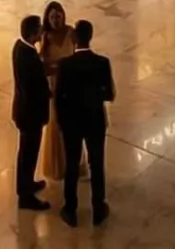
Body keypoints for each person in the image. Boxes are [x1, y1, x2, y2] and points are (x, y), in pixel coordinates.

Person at [54, 19, 116, 226]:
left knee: (72, 164)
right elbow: (108, 94)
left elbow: (59, 96)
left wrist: (62, 122)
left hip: (72, 122)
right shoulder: (102, 62)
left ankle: (70, 209)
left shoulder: (65, 65)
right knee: (97, 164)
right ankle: (98, 208)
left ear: (74, 38)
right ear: (91, 36)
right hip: (95, 121)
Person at [10, 15, 51, 210]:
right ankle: (25, 195)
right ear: (34, 32)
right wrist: (49, 94)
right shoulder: (28, 57)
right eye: (40, 29)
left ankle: (26, 184)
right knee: (28, 153)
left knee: (27, 153)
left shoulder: (21, 48)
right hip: (30, 114)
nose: (42, 32)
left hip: (24, 111)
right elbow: (33, 87)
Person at [38, 0, 75, 181]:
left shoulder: (71, 33)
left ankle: (73, 162)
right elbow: (43, 67)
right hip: (55, 85)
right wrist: (59, 67)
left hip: (71, 85)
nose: (56, 20)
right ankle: (58, 164)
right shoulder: (45, 37)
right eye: (52, 17)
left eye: (58, 16)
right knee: (56, 123)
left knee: (72, 124)